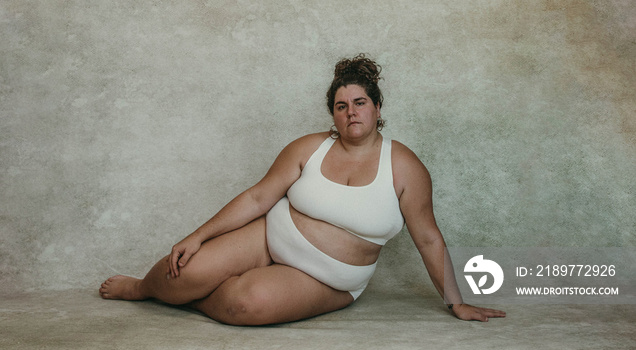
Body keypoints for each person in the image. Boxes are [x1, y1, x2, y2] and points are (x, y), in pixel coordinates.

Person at [99, 54, 505, 325]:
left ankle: (187, 298)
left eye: (360, 103)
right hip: (270, 237)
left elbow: (430, 238)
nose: (351, 112)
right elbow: (259, 197)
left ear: (378, 109)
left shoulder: (404, 166)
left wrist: (456, 300)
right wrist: (198, 236)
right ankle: (144, 287)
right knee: (183, 271)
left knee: (244, 304)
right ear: (333, 113)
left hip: (329, 278)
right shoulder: (308, 147)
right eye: (342, 106)